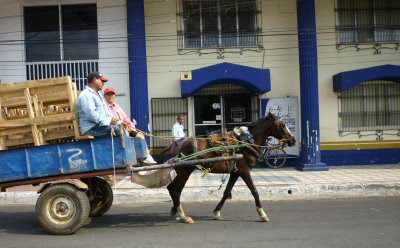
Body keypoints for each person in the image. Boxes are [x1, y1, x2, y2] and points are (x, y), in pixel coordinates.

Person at [103, 87, 157, 165]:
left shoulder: (117, 107)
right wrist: (122, 126)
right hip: (115, 130)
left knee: (140, 136)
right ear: (104, 96)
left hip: (124, 129)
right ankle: (132, 159)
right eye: (108, 94)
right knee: (127, 136)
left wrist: (131, 127)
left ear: (115, 96)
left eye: (112, 94)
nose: (110, 96)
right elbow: (109, 120)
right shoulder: (104, 107)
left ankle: (146, 157)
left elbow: (126, 119)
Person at [76, 72, 119, 136]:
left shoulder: (98, 94)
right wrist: (108, 121)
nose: (103, 83)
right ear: (95, 80)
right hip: (90, 129)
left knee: (121, 127)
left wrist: (114, 120)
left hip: (98, 126)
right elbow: (91, 114)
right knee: (117, 129)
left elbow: (106, 111)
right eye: (102, 81)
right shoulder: (86, 95)